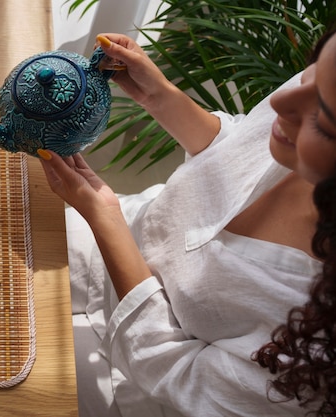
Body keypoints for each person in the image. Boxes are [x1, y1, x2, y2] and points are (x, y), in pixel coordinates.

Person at [36, 28, 336, 417]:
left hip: (138, 380)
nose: (281, 99)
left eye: (325, 119)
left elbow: (185, 379)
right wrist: (157, 94)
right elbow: (242, 146)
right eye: (309, 72)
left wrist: (103, 216)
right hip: (127, 232)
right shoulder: (306, 110)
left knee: (6, 368)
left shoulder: (319, 345)